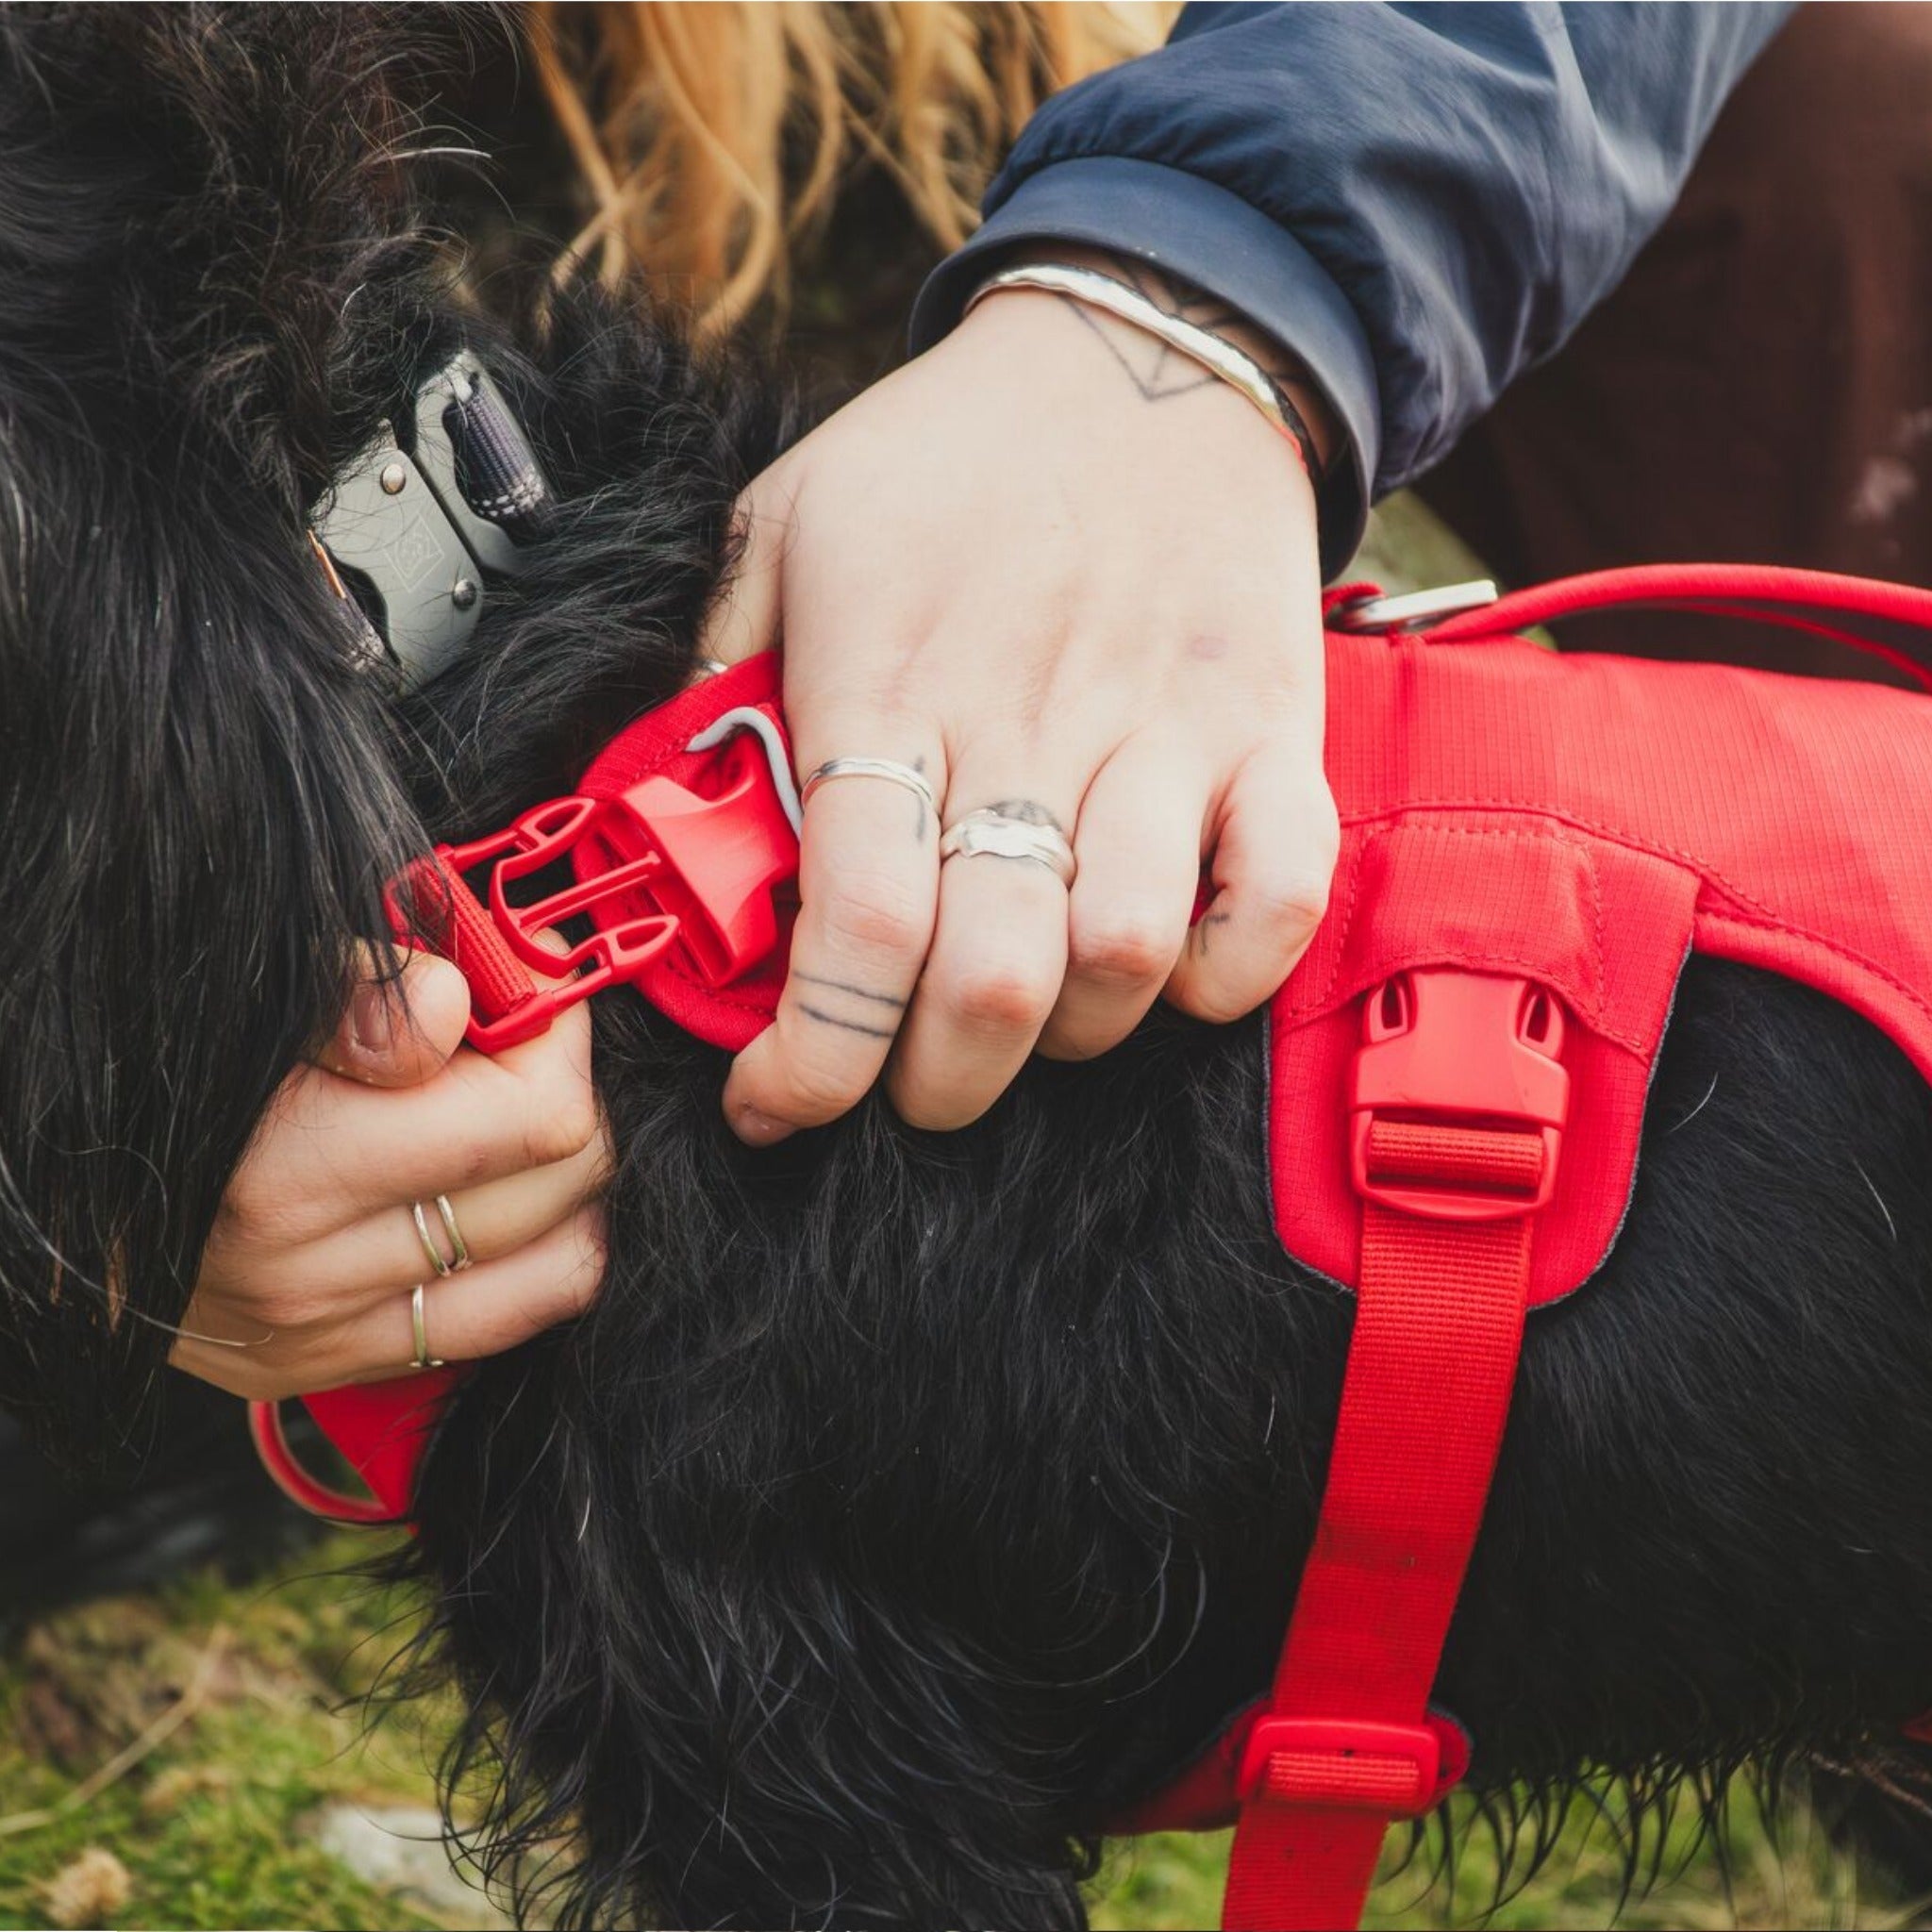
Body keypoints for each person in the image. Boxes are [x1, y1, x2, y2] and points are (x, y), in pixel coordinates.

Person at [175, 2, 1798, 1406]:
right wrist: (80, 1150)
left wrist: (1200, 290)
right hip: (312, 854)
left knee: (1847, 138)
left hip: (1127, 197)